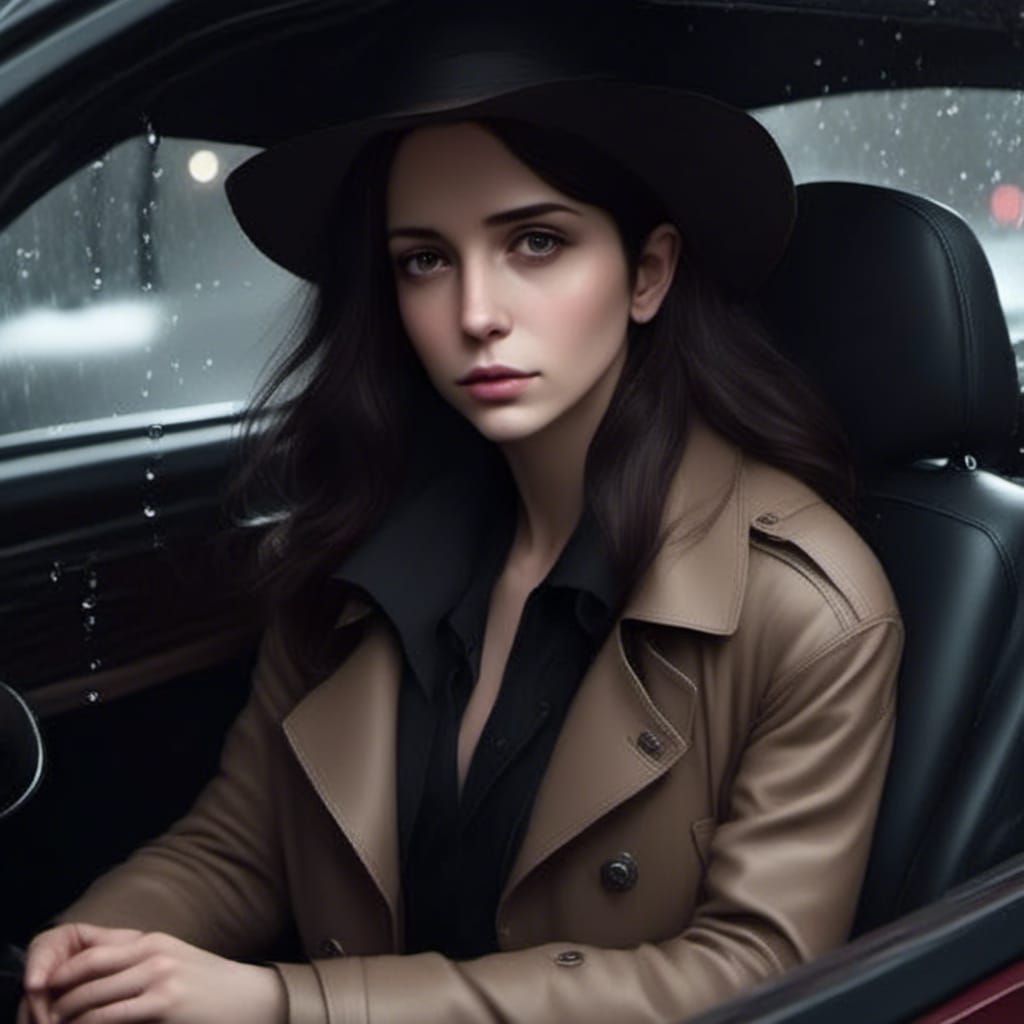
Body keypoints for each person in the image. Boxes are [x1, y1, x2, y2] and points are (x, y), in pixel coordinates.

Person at [18, 51, 902, 1024]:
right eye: (425, 260)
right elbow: (240, 846)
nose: (475, 315)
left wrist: (290, 1006)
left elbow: (751, 973)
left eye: (535, 242)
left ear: (647, 273)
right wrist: (91, 951)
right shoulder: (355, 547)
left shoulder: (803, 607)